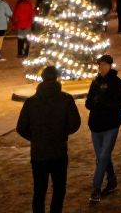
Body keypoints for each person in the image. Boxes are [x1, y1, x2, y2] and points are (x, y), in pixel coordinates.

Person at [16, 65, 82, 213]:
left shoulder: (31, 102)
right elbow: (75, 123)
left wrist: (35, 138)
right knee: (59, 189)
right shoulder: (65, 99)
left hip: (39, 153)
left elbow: (21, 127)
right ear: (57, 78)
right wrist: (63, 133)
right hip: (59, 151)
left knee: (39, 190)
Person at [84, 54, 121, 202]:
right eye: (99, 65)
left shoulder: (117, 83)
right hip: (96, 126)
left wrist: (105, 103)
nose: (101, 68)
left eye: (104, 65)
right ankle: (112, 181)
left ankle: (96, 188)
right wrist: (94, 103)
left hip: (111, 125)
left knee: (102, 157)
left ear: (110, 66)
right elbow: (88, 103)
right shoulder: (95, 83)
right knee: (103, 157)